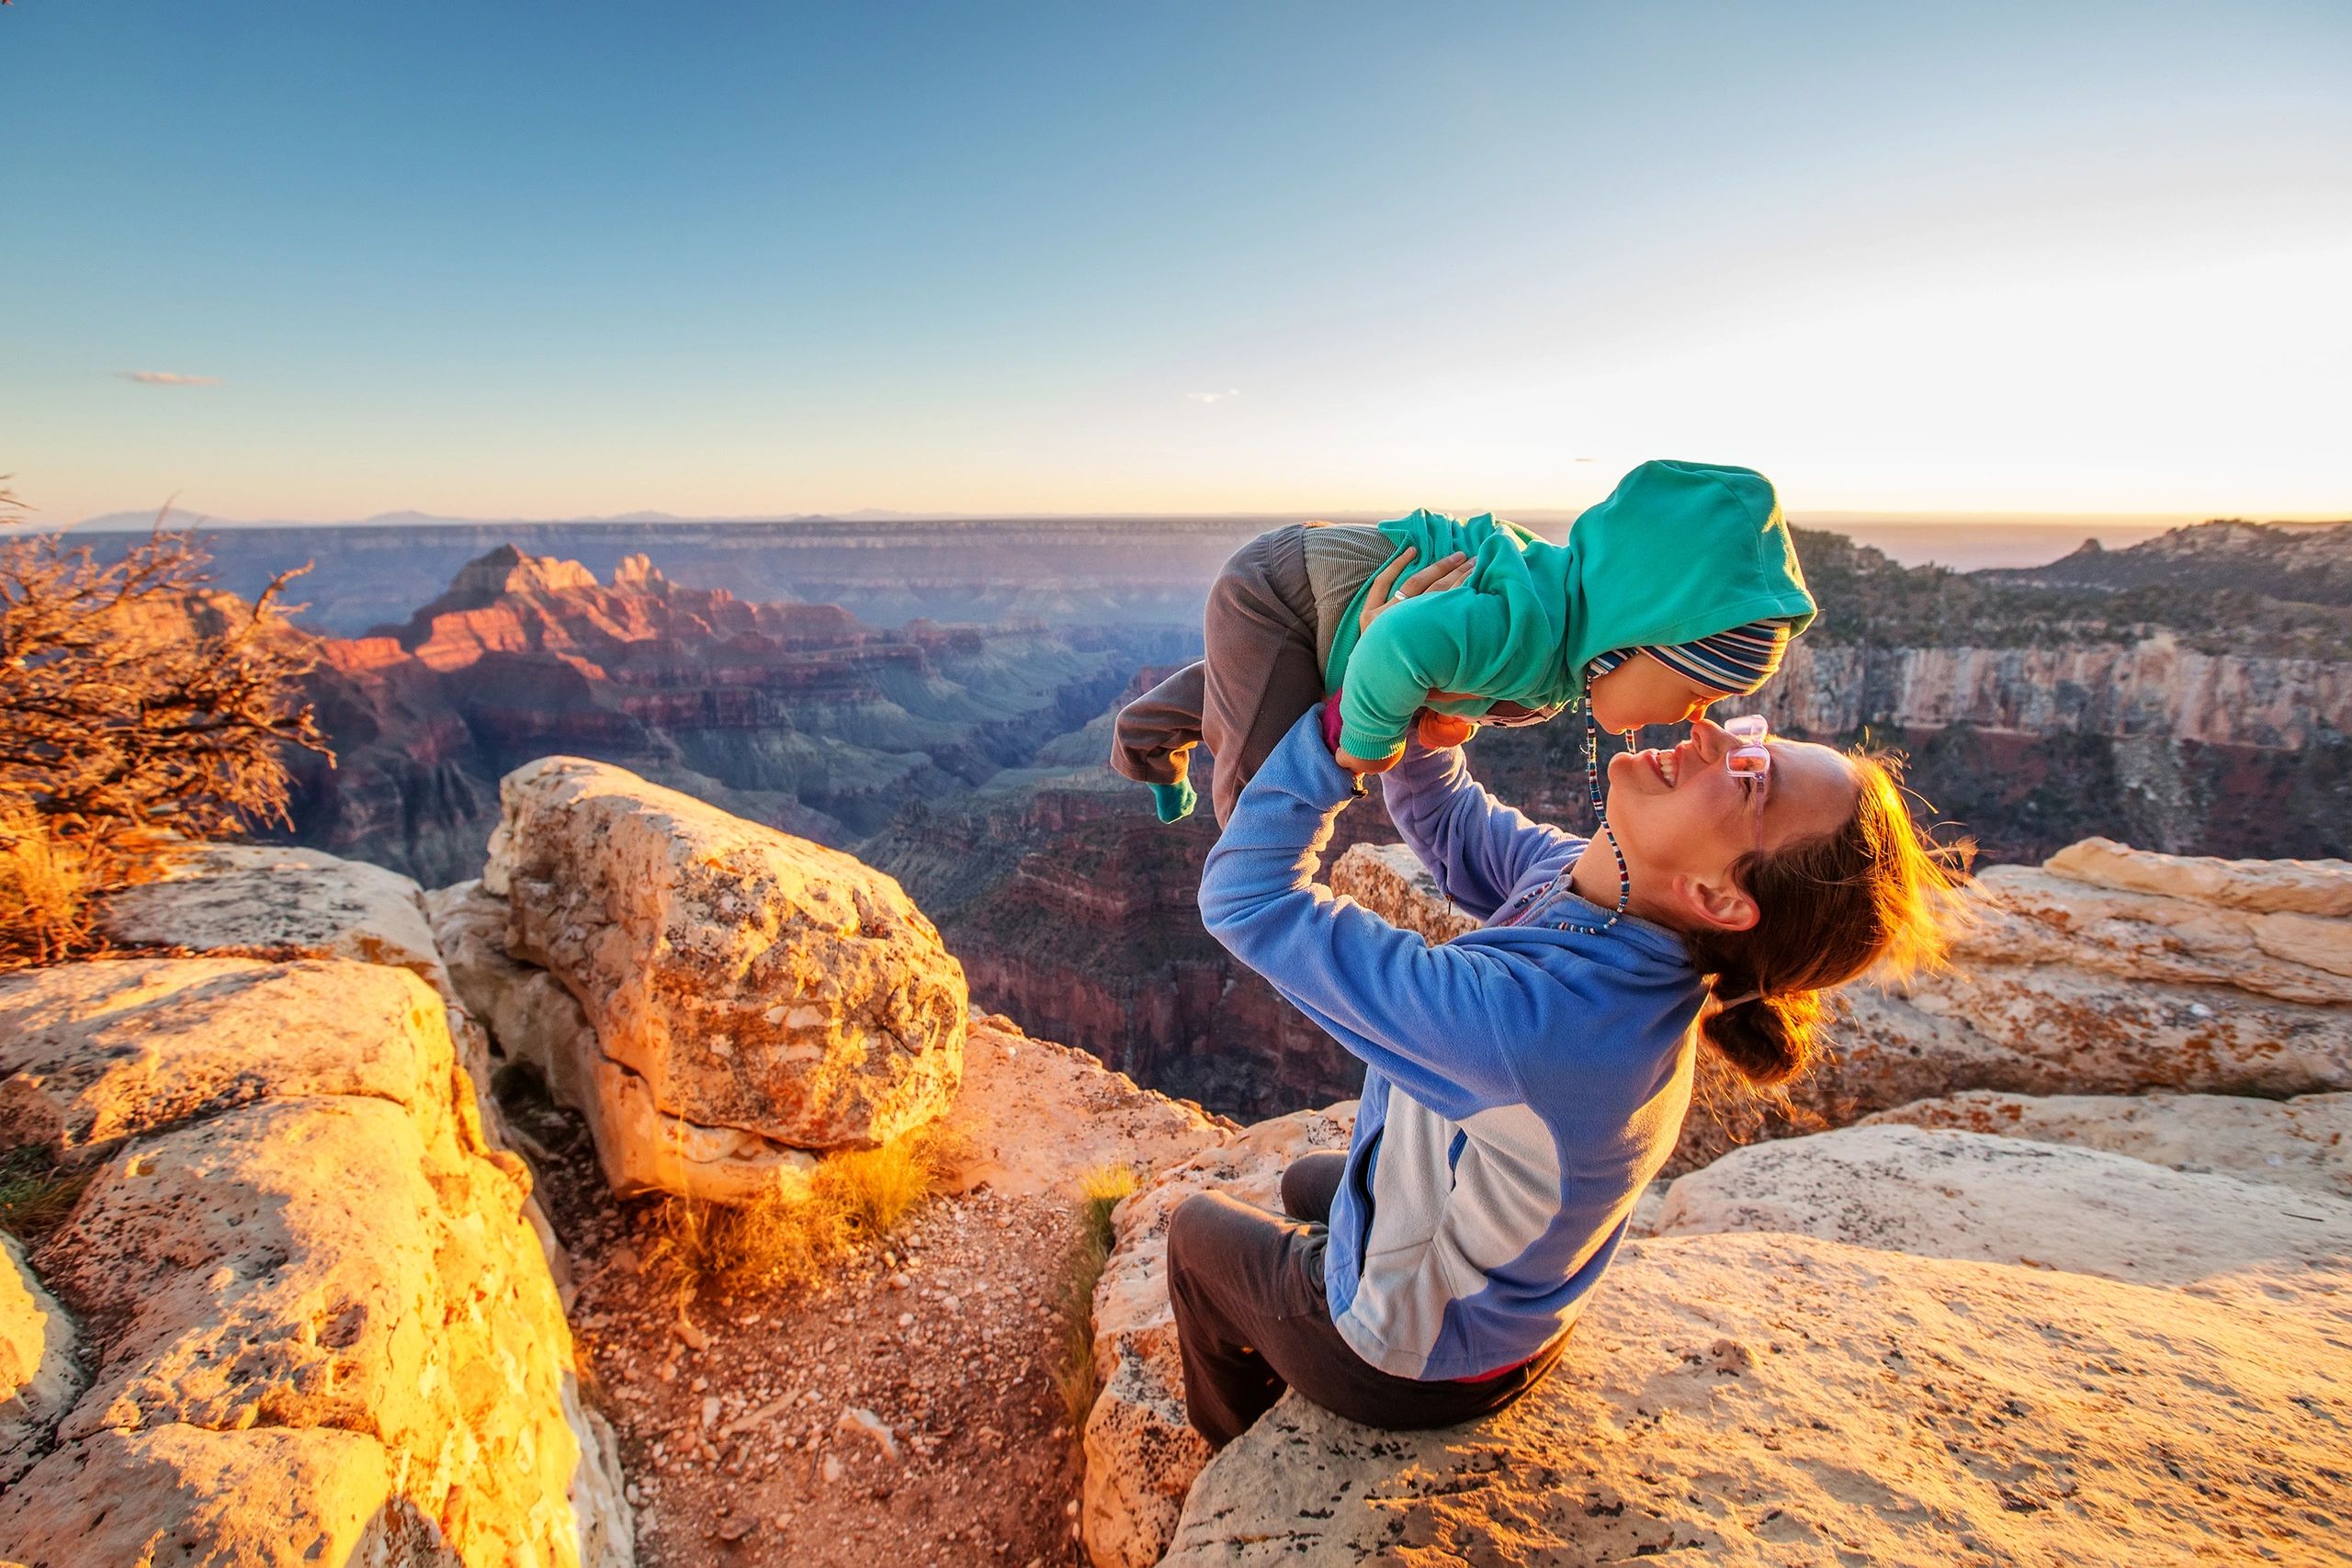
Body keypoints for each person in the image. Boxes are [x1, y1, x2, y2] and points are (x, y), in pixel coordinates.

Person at [1162, 556, 1967, 1448]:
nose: (1708, 735)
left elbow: (1248, 900)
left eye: (1747, 782)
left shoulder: (1548, 1030)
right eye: (1751, 737)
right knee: (1303, 1180)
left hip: (1413, 1362)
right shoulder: (1616, 896)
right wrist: (1421, 683)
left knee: (1197, 1236)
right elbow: (1446, 818)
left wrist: (1347, 725)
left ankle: (1226, 1445)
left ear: (1719, 898)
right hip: (1510, 1304)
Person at [1110, 457, 1818, 828]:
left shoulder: (1567, 628)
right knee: (1262, 786)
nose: (1696, 714)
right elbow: (1398, 651)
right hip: (1283, 595)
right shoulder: (1531, 634)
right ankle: (1218, 828)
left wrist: (1454, 711)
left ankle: (1142, 743)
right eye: (1700, 688)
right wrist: (1368, 746)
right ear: (1641, 638)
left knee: (1238, 692)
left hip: (1311, 600)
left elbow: (1446, 667)